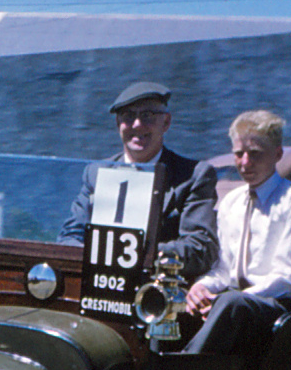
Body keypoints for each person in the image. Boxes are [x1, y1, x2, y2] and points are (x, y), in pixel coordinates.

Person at [183, 109, 291, 357]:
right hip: (236, 305)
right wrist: (201, 287)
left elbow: (289, 278)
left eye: (255, 154)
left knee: (231, 303)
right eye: (239, 154)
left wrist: (227, 300)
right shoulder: (231, 202)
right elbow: (224, 269)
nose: (245, 163)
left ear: (277, 154)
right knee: (175, 301)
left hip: (280, 306)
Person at [58, 81, 218, 281]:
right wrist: (100, 256)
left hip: (157, 293)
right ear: (118, 124)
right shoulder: (96, 173)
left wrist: (132, 254)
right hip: (99, 287)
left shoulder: (193, 176)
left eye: (147, 116)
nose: (137, 125)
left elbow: (200, 248)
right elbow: (70, 237)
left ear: (166, 122)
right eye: (128, 116)